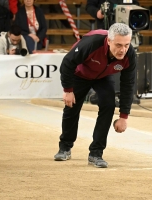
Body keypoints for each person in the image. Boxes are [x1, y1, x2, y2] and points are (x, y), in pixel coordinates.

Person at [54, 23, 137, 168]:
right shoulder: (92, 43)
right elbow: (67, 63)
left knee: (108, 105)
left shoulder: (129, 54)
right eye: (118, 45)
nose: (122, 49)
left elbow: (128, 85)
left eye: (126, 45)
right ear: (109, 41)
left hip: (103, 76)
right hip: (80, 74)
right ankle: (65, 147)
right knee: (71, 106)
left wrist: (124, 116)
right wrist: (68, 90)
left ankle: (96, 153)